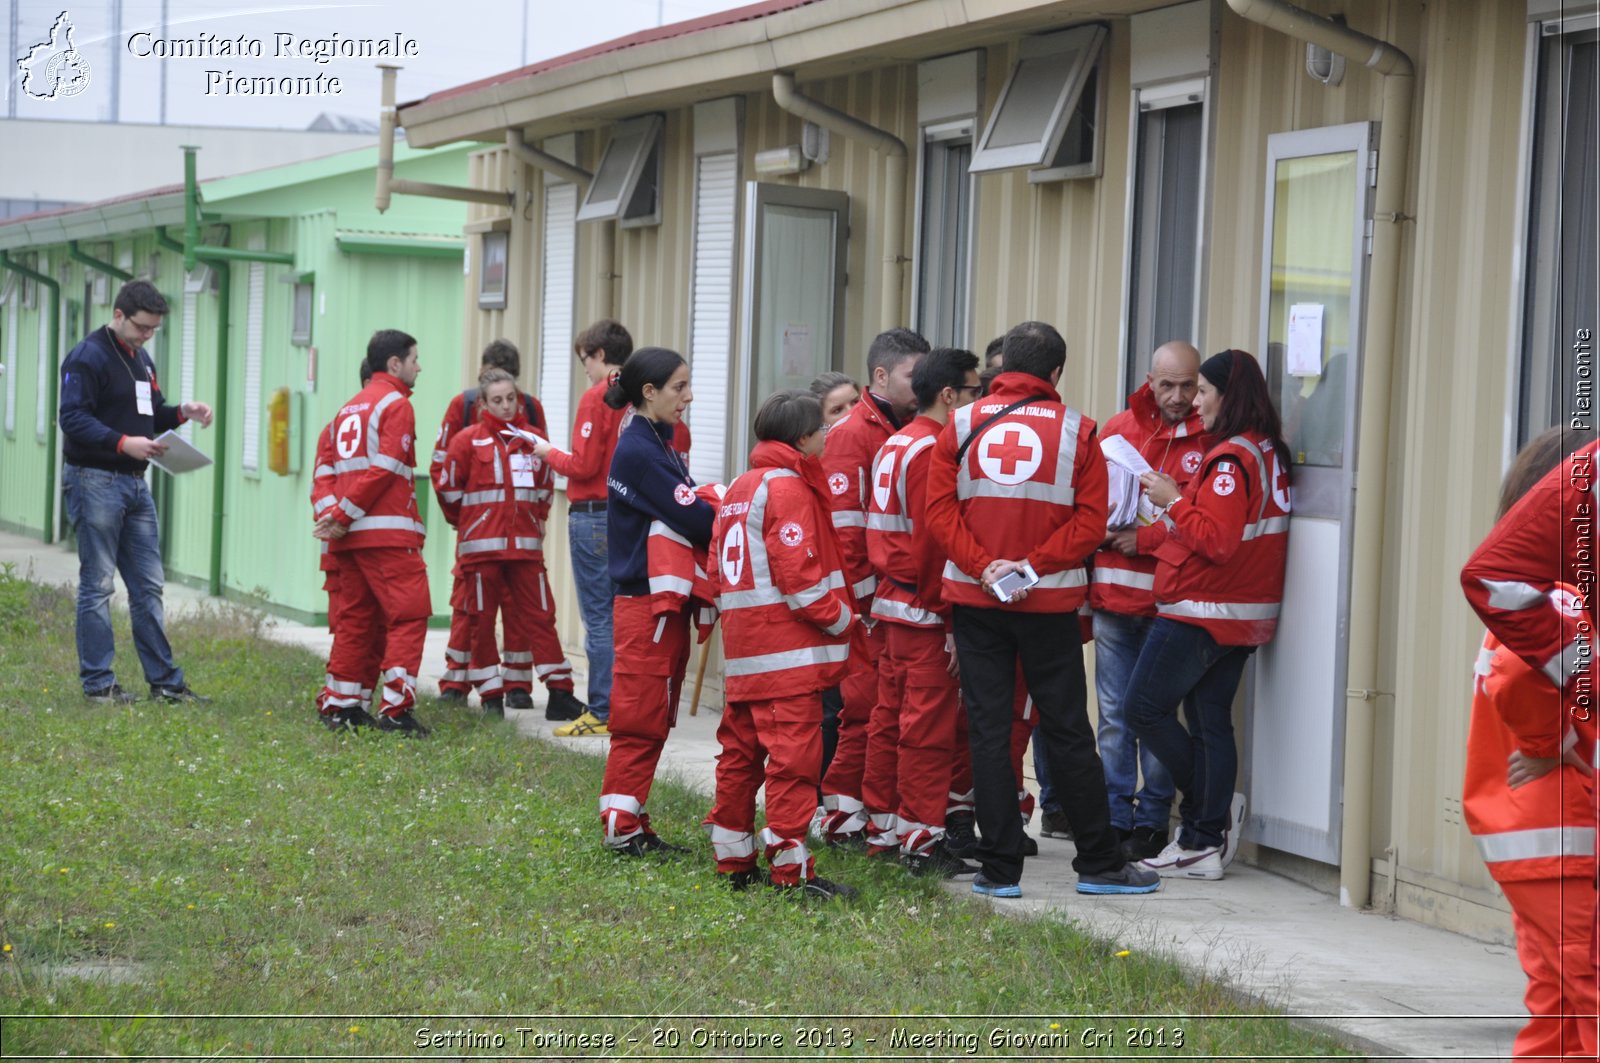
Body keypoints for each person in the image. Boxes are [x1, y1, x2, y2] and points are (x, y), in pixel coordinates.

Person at [924, 320, 1159, 899]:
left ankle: (999, 869)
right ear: (1056, 373)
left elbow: (938, 514)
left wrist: (987, 569)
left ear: (1002, 370)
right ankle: (1100, 864)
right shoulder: (1080, 431)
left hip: (978, 602)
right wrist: (1031, 567)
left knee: (986, 728)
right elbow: (1091, 521)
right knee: (1067, 731)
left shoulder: (958, 423)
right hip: (1048, 602)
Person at [1126, 349, 1292, 879]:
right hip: (1240, 613)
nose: (1194, 403)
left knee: (1142, 709)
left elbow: (1214, 541)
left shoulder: (1230, 459)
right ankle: (1201, 841)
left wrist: (1172, 499)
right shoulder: (1267, 450)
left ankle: (1208, 810)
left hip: (1204, 610)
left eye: (1202, 391)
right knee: (1209, 723)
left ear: (1227, 394)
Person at [1461, 427, 1597, 1061]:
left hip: (1533, 845)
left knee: (1560, 1009)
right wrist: (1557, 741)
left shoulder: (1533, 599)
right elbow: (1522, 676)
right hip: (1565, 836)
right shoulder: (1564, 596)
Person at [705, 389, 860, 899]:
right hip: (788, 658)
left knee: (739, 757)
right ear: (802, 437)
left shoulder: (740, 488)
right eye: (822, 428)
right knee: (793, 764)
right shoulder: (788, 487)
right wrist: (844, 621)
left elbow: (714, 573)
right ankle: (791, 874)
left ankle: (733, 863)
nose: (827, 435)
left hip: (746, 656)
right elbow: (803, 581)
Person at [58, 280, 213, 704]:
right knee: (99, 584)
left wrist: (184, 412)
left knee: (148, 586)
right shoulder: (88, 356)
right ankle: (99, 684)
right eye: (142, 327)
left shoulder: (141, 360)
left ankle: (165, 683)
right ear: (120, 314)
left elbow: (151, 413)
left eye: (154, 330)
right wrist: (122, 442)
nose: (147, 336)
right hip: (95, 481)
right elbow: (71, 418)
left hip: (135, 485)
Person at [863, 346, 982, 877]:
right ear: (949, 395)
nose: (979, 401)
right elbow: (934, 543)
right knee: (927, 730)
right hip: (923, 607)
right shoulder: (935, 449)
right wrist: (952, 620)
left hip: (891, 602)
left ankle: (884, 829)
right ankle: (921, 840)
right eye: (975, 391)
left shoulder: (896, 442)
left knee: (889, 720)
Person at [1087, 341, 1206, 861]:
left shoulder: (1212, 438)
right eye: (1168, 385)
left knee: (1156, 714)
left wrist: (1150, 540)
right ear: (1149, 380)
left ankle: (1155, 819)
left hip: (1170, 603)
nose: (1178, 397)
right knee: (1113, 715)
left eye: (1188, 385)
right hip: (1114, 595)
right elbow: (1088, 505)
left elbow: (1209, 527)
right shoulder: (1118, 429)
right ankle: (1115, 816)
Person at [595, 347, 715, 855]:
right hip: (646, 605)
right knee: (641, 716)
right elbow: (698, 520)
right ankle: (620, 826)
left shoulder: (651, 440)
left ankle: (633, 816)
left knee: (654, 712)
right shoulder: (641, 452)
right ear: (649, 392)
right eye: (679, 388)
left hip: (653, 604)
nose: (688, 397)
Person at [817, 327, 930, 846]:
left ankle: (863, 810)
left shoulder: (900, 426)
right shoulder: (852, 435)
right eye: (914, 374)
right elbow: (847, 536)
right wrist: (864, 608)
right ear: (881, 376)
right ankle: (841, 813)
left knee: (880, 711)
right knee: (862, 710)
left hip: (891, 601)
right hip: (868, 605)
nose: (923, 382)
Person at [429, 340, 566, 715]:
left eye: (511, 395)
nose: (505, 404)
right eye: (495, 395)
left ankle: (517, 683)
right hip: (479, 536)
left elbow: (543, 467)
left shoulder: (531, 409)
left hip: (519, 534)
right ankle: (457, 680)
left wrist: (533, 518)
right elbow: (444, 468)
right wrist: (470, 520)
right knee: (471, 609)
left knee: (521, 609)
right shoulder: (464, 407)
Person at [313, 329, 432, 737]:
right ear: (394, 364)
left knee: (356, 620)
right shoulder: (395, 404)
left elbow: (323, 476)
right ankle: (395, 711)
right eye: (414, 359)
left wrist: (334, 516)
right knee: (410, 616)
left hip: (348, 541)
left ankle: (343, 706)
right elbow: (385, 468)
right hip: (388, 536)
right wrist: (344, 514)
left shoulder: (343, 413)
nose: (420, 366)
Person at [530, 320, 633, 737]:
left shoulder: (598, 397)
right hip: (629, 514)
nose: (585, 370)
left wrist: (546, 451)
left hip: (593, 513)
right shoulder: (644, 394)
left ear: (600, 356)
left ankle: (603, 708)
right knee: (625, 613)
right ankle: (626, 704)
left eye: (586, 361)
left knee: (599, 616)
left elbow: (584, 465)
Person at [312, 363, 382, 718]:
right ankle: (339, 701)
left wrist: (337, 519)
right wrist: (337, 521)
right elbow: (321, 482)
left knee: (372, 627)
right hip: (345, 550)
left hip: (363, 545)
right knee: (351, 627)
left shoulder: (340, 426)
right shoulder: (341, 428)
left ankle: (357, 701)